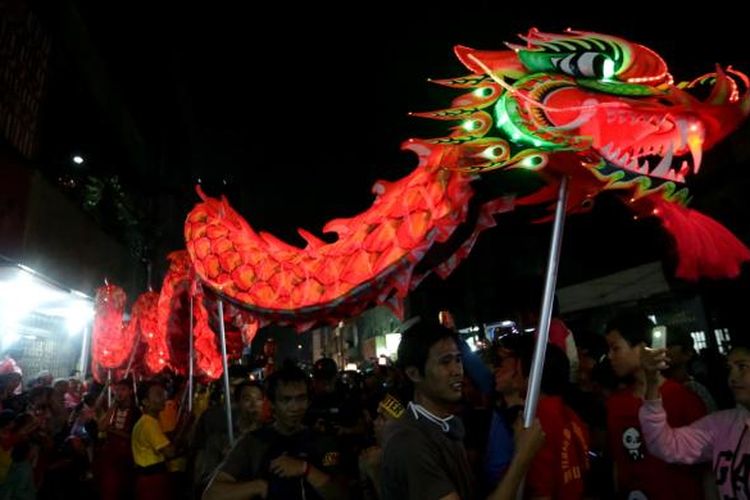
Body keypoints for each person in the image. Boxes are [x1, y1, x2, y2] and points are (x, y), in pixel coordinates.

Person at [380, 320, 545, 500]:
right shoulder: (410, 442)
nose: (457, 370)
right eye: (445, 362)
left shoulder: (449, 425)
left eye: (458, 359)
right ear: (414, 373)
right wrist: (521, 458)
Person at [204, 365, 347, 500]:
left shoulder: (322, 441)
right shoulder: (253, 442)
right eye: (286, 400)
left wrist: (306, 469)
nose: (294, 407)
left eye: (301, 399)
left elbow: (342, 493)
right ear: (272, 403)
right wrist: (259, 486)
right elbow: (212, 494)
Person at [605, 311, 707, 500]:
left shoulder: (683, 398)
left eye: (615, 348)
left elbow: (705, 466)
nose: (609, 356)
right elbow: (618, 462)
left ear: (642, 349)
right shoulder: (614, 403)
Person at [639, 336, 750, 499]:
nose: (732, 378)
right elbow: (665, 445)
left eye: (742, 367)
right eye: (730, 368)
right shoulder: (723, 424)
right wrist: (652, 382)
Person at [132, 381, 184, 500]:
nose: (163, 399)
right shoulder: (149, 423)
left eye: (163, 394)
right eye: (158, 395)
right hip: (152, 480)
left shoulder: (147, 421)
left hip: (147, 479)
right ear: (145, 401)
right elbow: (170, 452)